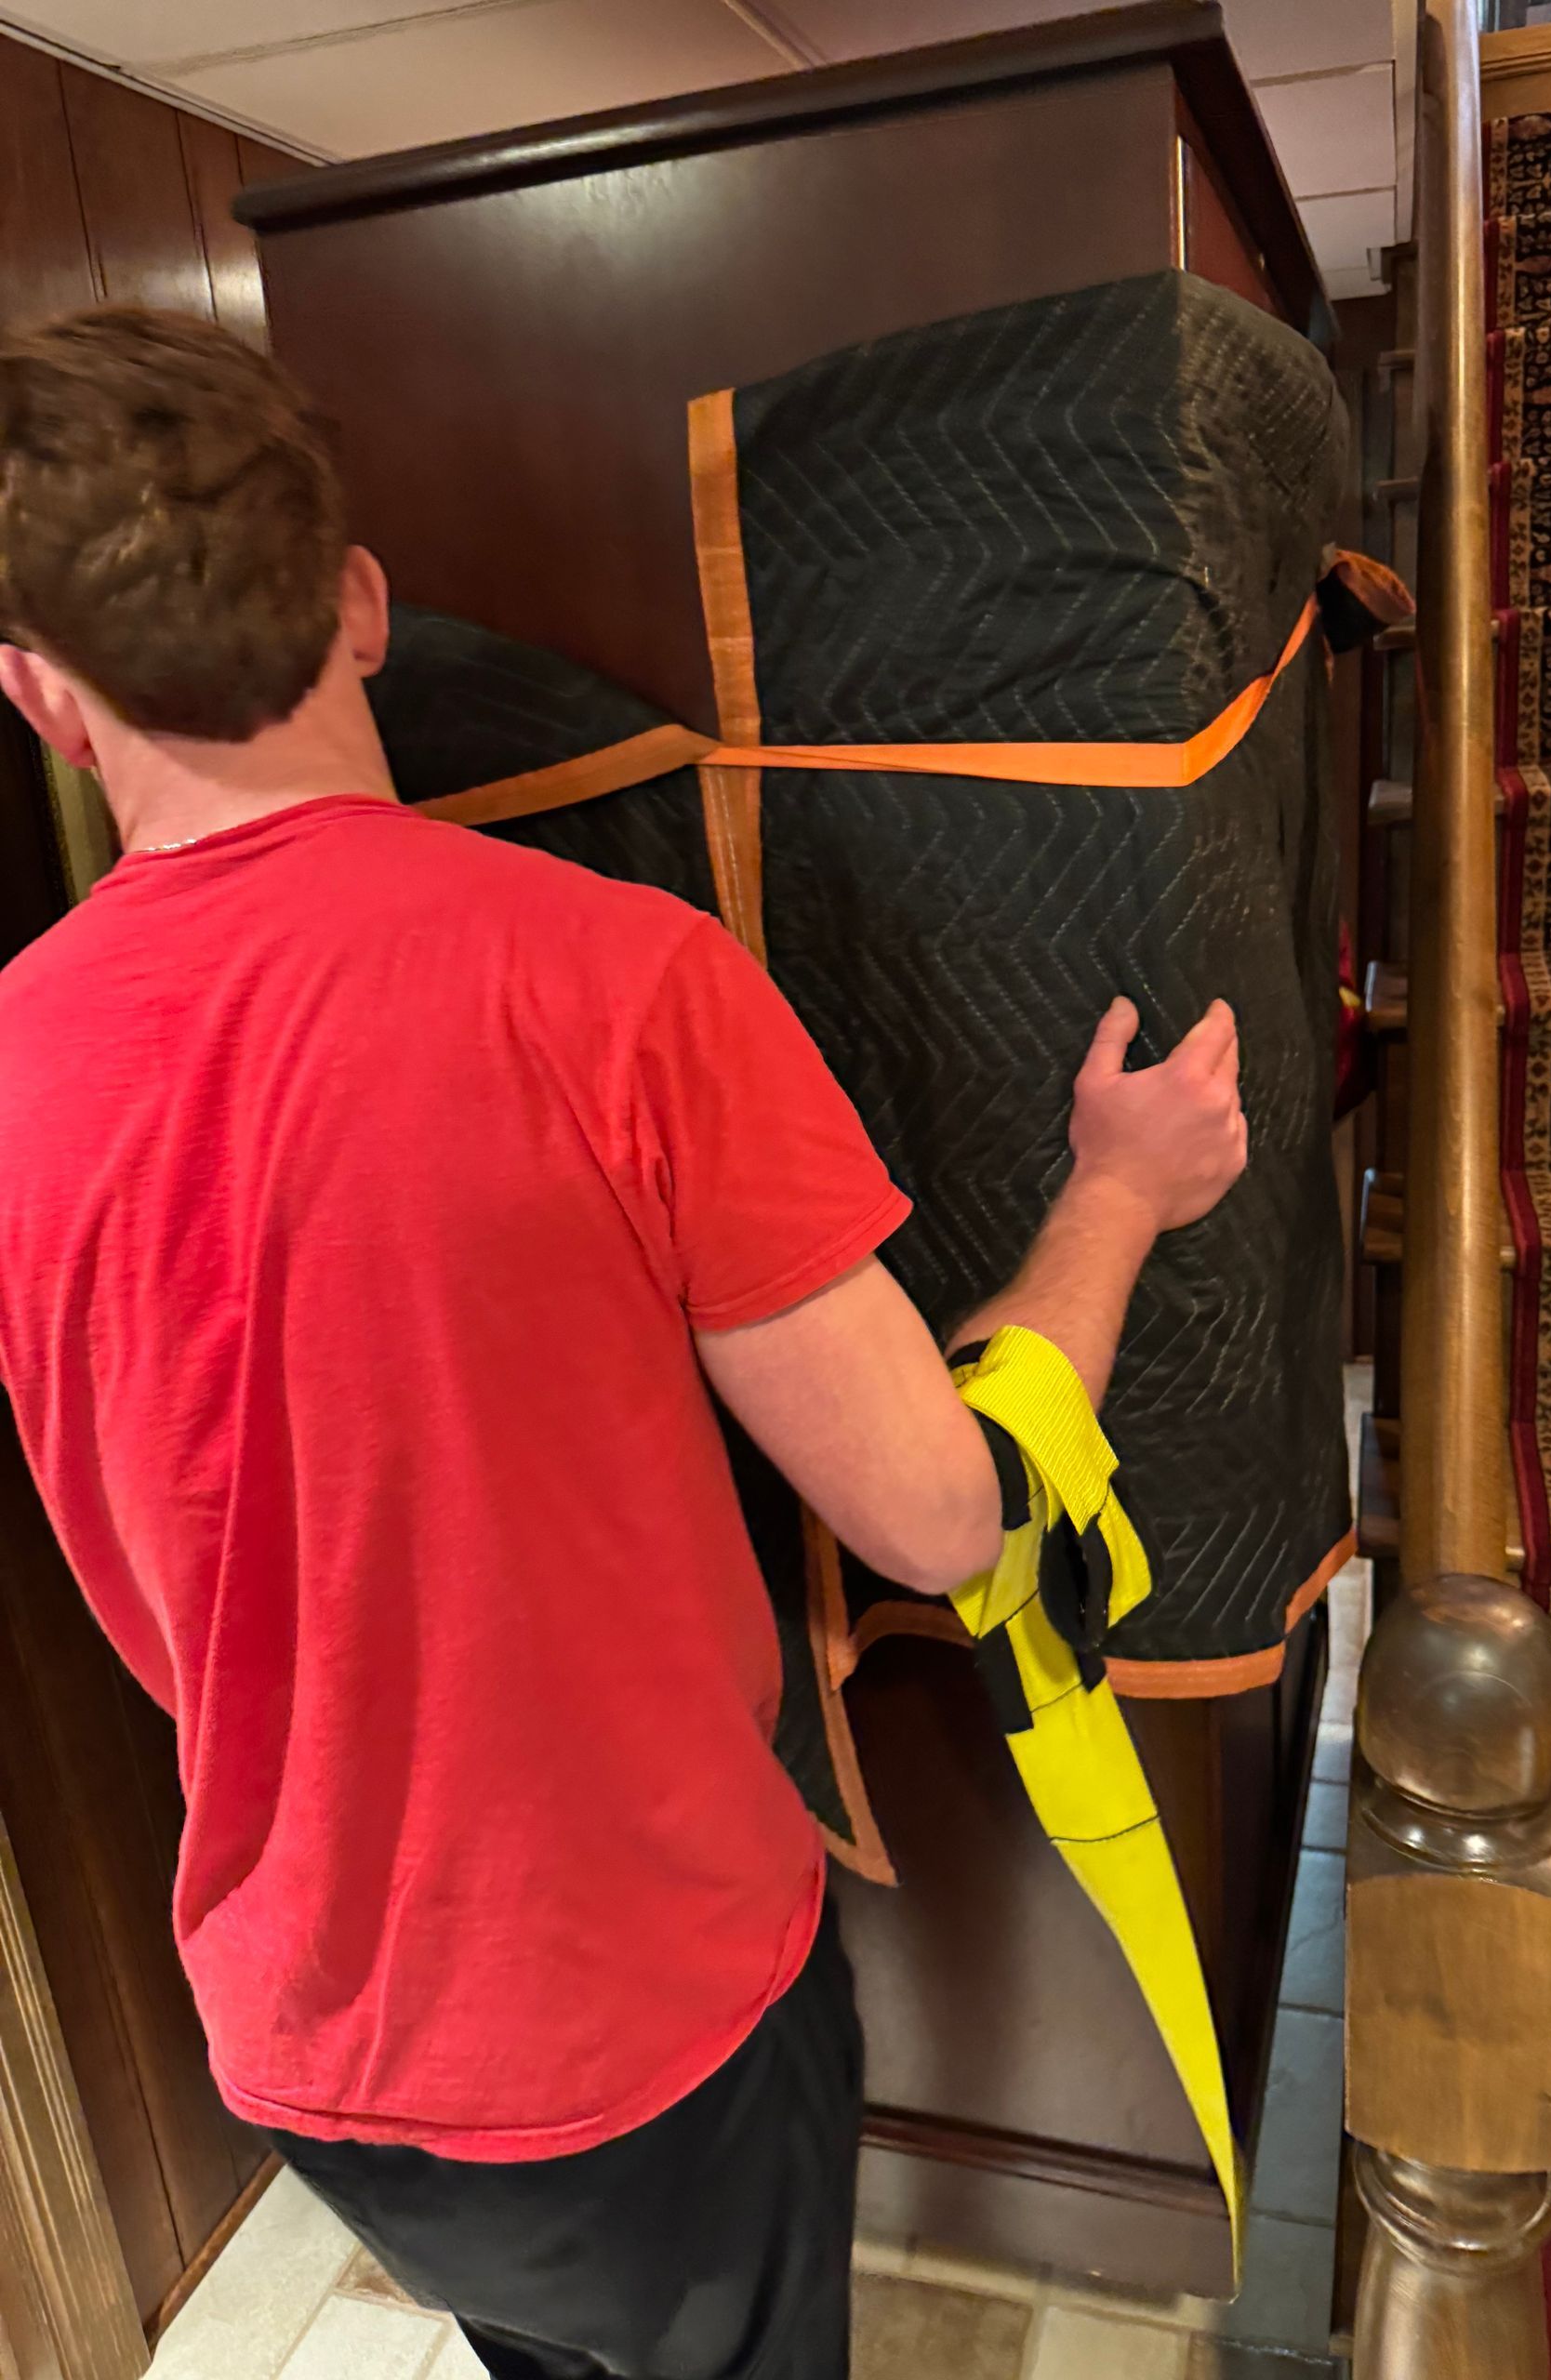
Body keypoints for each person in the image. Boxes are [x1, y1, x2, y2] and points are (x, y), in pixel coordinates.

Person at [0, 309, 1247, 2380]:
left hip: (306, 2049)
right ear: (366, 604)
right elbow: (946, 1509)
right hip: (648, 2040)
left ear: (40, 693)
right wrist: (1118, 1189)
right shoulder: (617, 985)